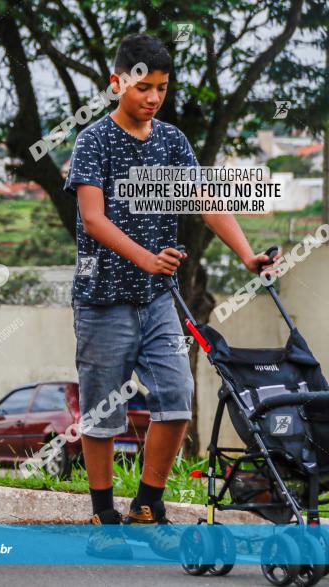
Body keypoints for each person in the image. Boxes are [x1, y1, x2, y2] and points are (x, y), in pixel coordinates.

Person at [64, 33, 277, 559]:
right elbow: (93, 219)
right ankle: (102, 515)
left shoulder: (172, 142)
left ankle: (146, 507)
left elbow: (207, 199)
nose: (152, 97)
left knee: (177, 400)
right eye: (142, 87)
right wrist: (144, 256)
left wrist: (248, 256)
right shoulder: (93, 141)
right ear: (117, 83)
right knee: (101, 414)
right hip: (103, 298)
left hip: (159, 300)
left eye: (161, 88)